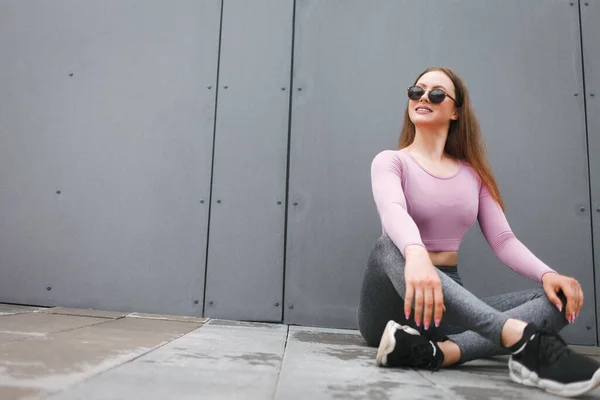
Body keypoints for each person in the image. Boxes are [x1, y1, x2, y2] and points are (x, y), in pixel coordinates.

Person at [357, 67, 600, 397]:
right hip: (393, 302)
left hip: (448, 305)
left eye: (437, 93)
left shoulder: (473, 176)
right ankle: (522, 340)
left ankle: (439, 353)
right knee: (388, 244)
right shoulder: (390, 162)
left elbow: (503, 240)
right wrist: (416, 254)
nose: (424, 98)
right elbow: (392, 210)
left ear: (455, 111)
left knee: (558, 300)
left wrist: (547, 274)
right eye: (417, 91)